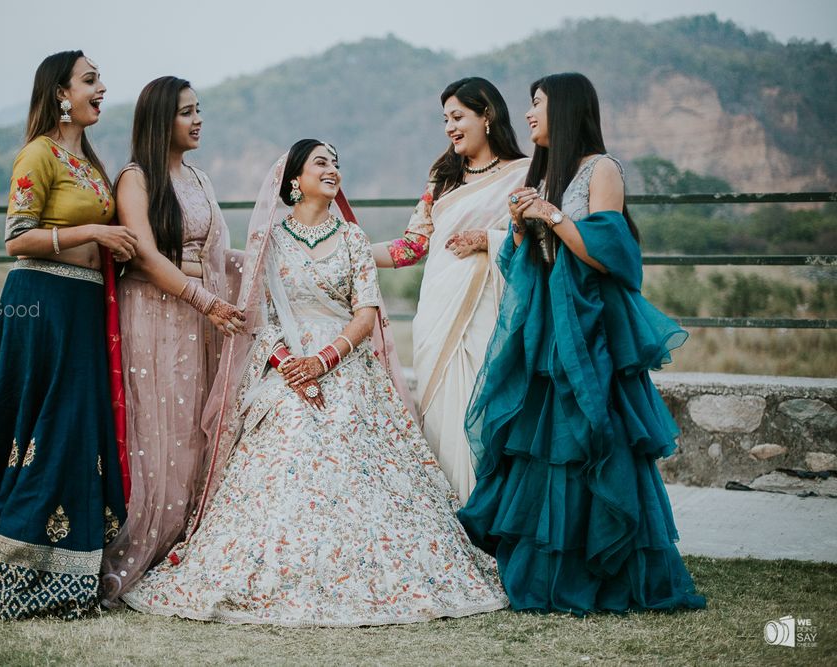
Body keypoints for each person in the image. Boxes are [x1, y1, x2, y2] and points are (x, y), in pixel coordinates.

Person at [121, 140, 506, 626]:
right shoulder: (271, 240)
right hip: (285, 364)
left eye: (337, 163)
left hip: (344, 364)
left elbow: (366, 313)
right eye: (321, 162)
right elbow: (259, 317)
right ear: (294, 181)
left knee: (344, 419)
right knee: (288, 418)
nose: (333, 170)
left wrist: (324, 361)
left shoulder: (351, 239)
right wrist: (288, 365)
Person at [459, 72, 707, 615]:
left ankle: (608, 569)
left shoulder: (603, 169)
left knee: (597, 436)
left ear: (565, 109)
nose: (528, 115)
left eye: (537, 104)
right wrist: (522, 228)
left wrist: (550, 215)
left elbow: (612, 254)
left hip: (591, 327)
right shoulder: (550, 173)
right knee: (544, 443)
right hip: (547, 325)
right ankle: (550, 571)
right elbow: (524, 261)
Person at [0, 51, 138, 620]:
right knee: (42, 428)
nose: (102, 89)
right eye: (91, 80)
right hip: (41, 306)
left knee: (75, 429)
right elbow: (16, 239)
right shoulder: (37, 154)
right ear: (61, 92)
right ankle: (18, 569)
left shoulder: (90, 164)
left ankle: (71, 571)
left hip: (84, 308)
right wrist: (93, 229)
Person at [100, 76, 245, 604]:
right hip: (154, 313)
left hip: (198, 319)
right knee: (156, 425)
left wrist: (270, 266)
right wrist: (204, 300)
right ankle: (144, 539)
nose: (198, 119)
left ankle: (187, 537)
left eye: (199, 109)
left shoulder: (201, 180)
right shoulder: (135, 179)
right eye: (187, 112)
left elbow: (216, 252)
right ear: (163, 120)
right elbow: (142, 254)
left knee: (192, 428)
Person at [372, 78, 529, 503]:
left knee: (488, 410)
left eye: (458, 117)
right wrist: (352, 251)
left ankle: (491, 520)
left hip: (492, 314)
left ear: (488, 116)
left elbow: (539, 244)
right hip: (438, 316)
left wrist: (489, 240)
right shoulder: (442, 177)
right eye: (445, 119)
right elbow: (412, 246)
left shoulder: (526, 174)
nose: (449, 127)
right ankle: (449, 523)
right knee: (443, 415)